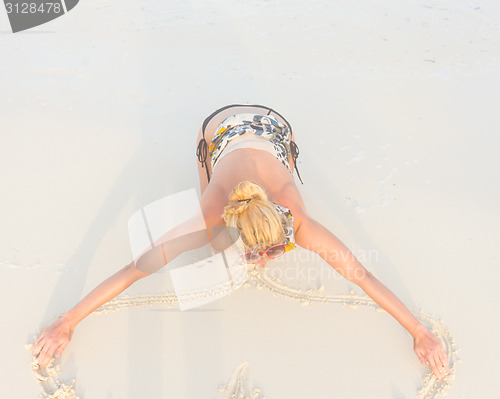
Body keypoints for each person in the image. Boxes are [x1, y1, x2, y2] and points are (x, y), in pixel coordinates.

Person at [32, 104, 449, 379]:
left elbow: (363, 275)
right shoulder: (211, 213)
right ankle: (212, 173)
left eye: (274, 249)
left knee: (231, 242)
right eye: (257, 253)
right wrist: (66, 321)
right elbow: (134, 269)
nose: (264, 260)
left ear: (284, 225)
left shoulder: (299, 222)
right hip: (219, 124)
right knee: (213, 246)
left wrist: (418, 330)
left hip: (274, 125)